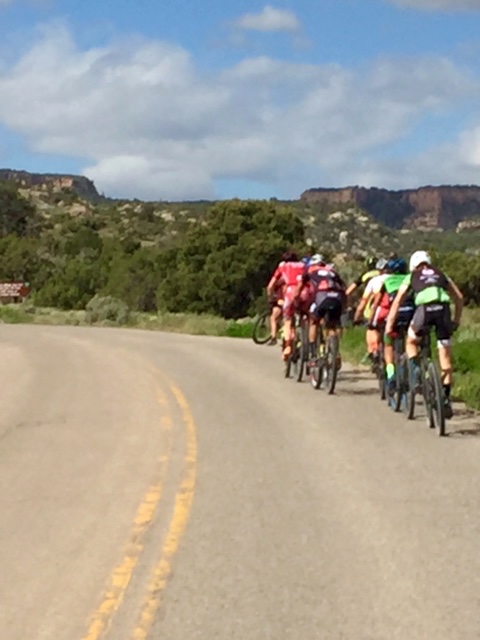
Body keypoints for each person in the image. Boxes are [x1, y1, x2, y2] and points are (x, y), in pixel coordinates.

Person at [385, 250, 463, 419]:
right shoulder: (441, 274)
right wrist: (456, 321)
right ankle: (445, 399)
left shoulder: (412, 276)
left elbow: (398, 301)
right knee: (445, 361)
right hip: (443, 310)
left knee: (411, 341)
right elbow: (459, 297)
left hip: (424, 310)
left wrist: (390, 325)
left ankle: (416, 372)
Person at [369, 257, 414, 394]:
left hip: (394, 315)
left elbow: (377, 302)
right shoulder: (410, 279)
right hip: (411, 314)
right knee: (411, 341)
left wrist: (371, 321)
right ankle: (410, 368)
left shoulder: (387, 281)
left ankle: (390, 374)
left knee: (388, 345)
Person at [296, 254, 346, 367]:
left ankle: (313, 354)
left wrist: (295, 300)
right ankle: (335, 353)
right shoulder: (332, 270)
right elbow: (343, 287)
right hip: (337, 297)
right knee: (332, 325)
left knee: (313, 321)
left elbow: (299, 287)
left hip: (321, 296)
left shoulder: (310, 270)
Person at [266, 251, 307, 360]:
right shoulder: (303, 265)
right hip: (304, 292)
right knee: (306, 315)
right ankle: (305, 337)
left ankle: (288, 346)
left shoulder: (283, 266)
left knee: (287, 320)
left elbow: (270, 286)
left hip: (290, 293)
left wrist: (270, 297)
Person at [353, 258, 389, 366]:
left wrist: (356, 317)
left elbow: (363, 302)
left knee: (372, 328)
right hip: (397, 311)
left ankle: (374, 352)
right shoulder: (397, 278)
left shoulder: (372, 279)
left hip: (377, 310)